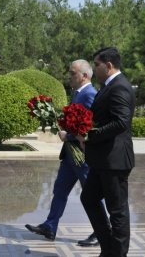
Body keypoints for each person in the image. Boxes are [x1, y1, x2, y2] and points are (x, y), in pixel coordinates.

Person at [25, 59, 106, 245]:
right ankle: (50, 226)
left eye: (73, 73)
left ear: (85, 75)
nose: (69, 76)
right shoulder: (77, 93)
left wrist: (68, 135)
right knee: (59, 189)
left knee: (92, 194)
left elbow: (90, 126)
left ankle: (101, 232)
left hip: (82, 155)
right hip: (70, 155)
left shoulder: (90, 94)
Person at [76, 47, 136, 257]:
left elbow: (120, 122)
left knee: (117, 211)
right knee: (89, 198)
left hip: (115, 160)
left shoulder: (120, 87)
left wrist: (91, 136)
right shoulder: (107, 86)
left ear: (108, 66)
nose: (95, 68)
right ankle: (108, 248)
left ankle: (117, 253)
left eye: (97, 64)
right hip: (103, 159)